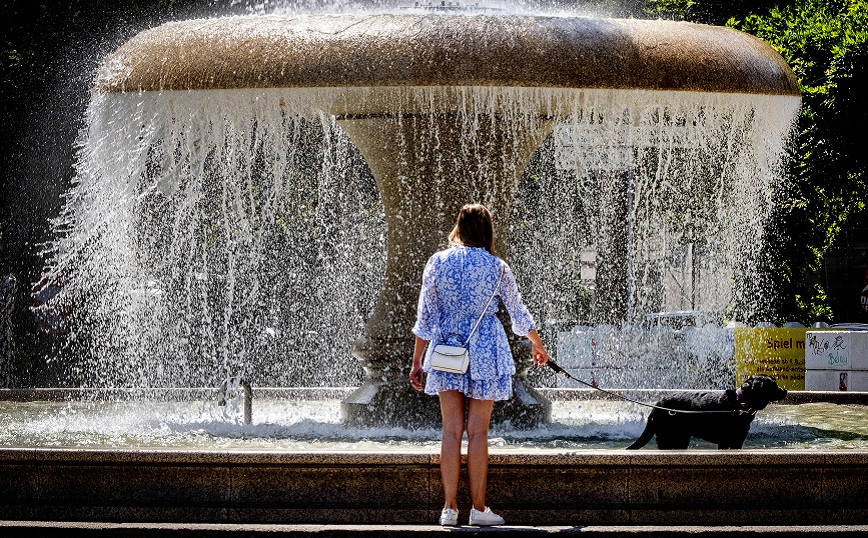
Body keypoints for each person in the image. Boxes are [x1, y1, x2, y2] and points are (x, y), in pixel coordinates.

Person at [409, 203, 551, 527]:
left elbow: (425, 316)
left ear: (458, 227)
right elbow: (518, 312)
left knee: (450, 430)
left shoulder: (437, 262)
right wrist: (537, 344)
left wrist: (417, 361)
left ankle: (449, 509)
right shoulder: (497, 267)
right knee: (478, 432)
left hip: (447, 346)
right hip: (486, 347)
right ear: (487, 231)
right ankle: (479, 509)